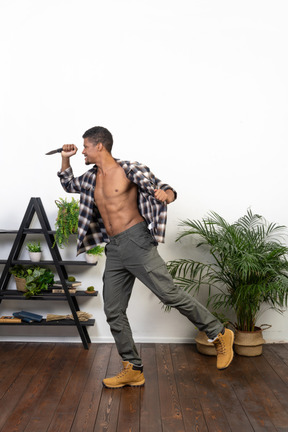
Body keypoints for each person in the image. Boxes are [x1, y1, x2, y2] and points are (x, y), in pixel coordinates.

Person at [57, 126, 234, 389]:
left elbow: (165, 188)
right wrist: (65, 157)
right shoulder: (91, 178)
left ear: (100, 146)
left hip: (137, 241)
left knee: (168, 293)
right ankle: (133, 368)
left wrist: (168, 196)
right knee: (113, 310)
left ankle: (218, 333)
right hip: (114, 248)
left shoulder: (130, 169)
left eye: (85, 146)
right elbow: (68, 184)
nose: (82, 150)